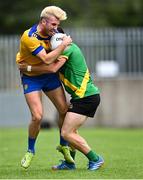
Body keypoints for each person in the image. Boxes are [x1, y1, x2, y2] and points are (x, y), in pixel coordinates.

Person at [18, 32, 104, 171]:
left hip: (86, 98)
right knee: (71, 132)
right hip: (83, 97)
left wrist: (28, 67)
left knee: (66, 133)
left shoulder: (68, 49)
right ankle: (69, 163)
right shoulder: (67, 49)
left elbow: (51, 67)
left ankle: (96, 159)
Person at [16, 6, 75, 169]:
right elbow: (48, 60)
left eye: (57, 25)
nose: (56, 29)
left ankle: (64, 145)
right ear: (43, 22)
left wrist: (28, 67)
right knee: (37, 116)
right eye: (53, 24)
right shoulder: (29, 37)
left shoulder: (55, 35)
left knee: (64, 110)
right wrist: (64, 45)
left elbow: (51, 67)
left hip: (48, 76)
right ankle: (30, 150)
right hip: (32, 79)